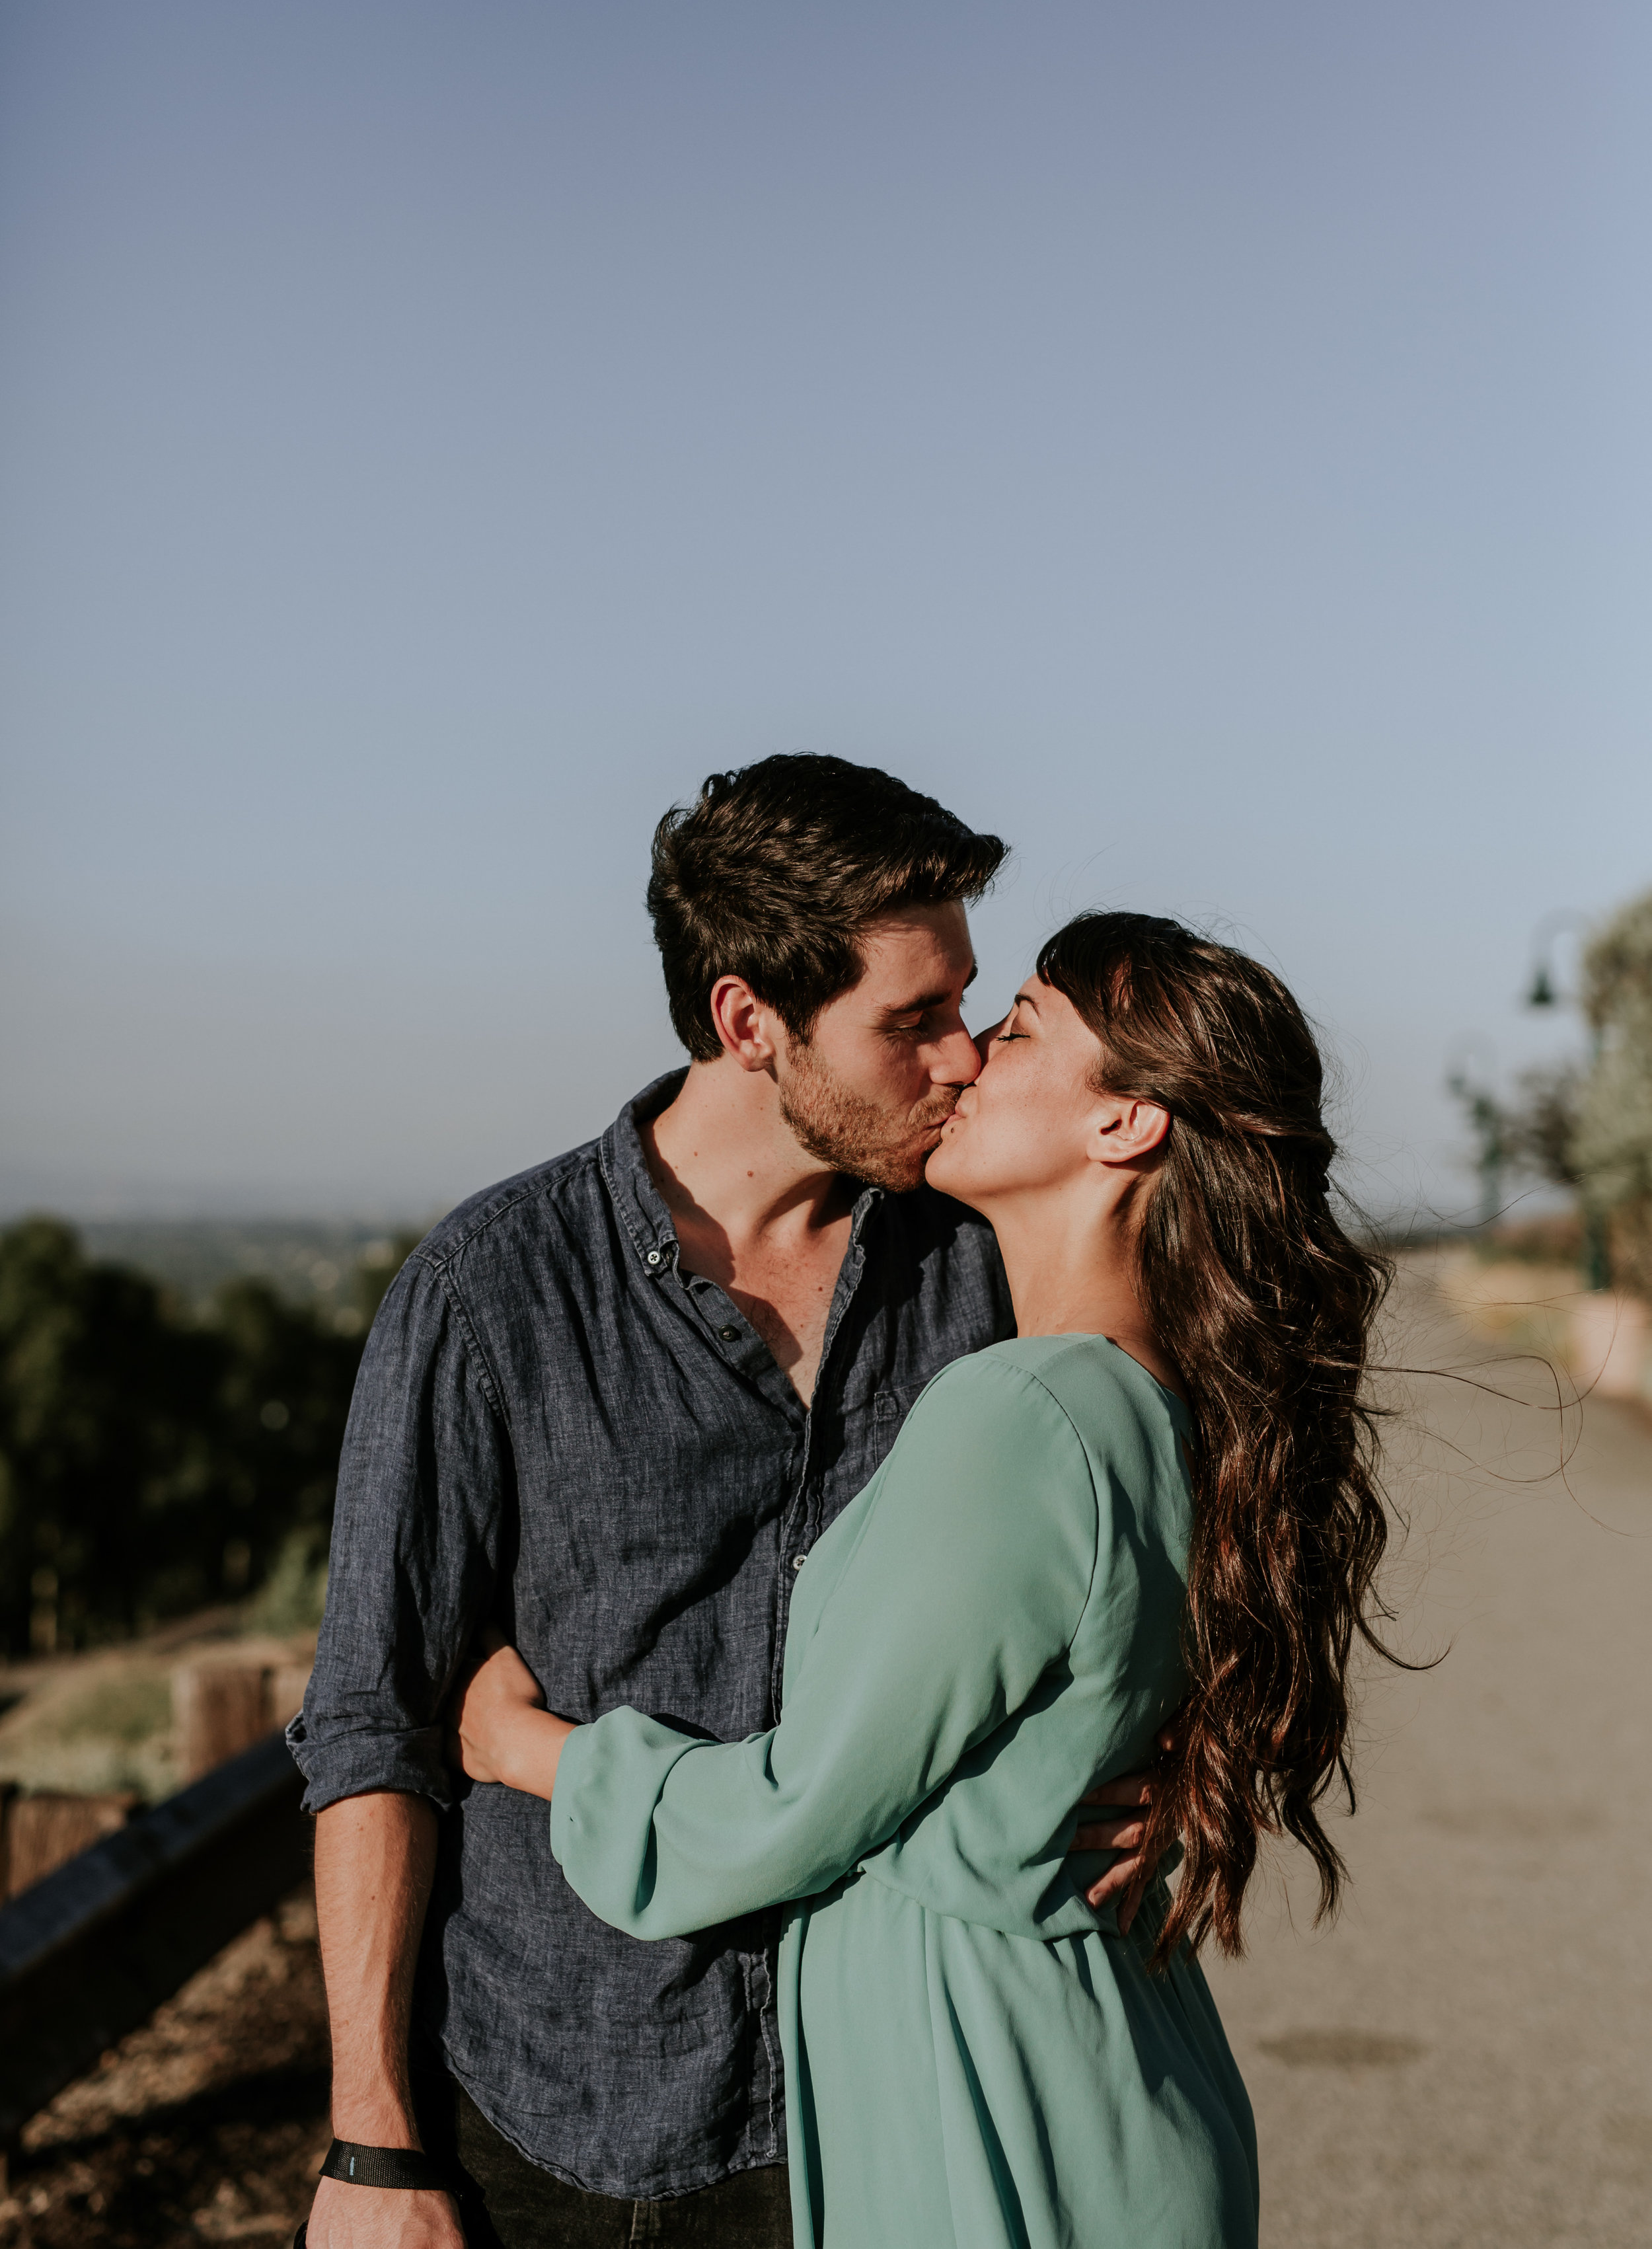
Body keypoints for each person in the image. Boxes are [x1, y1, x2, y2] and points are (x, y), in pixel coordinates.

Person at [291, 758, 1169, 2249]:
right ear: (747, 1021)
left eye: (964, 1006)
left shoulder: (982, 1267)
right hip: (562, 2111)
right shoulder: (491, 1290)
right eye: (910, 1022)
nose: (960, 1058)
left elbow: (1139, 1514)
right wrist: (373, 2147)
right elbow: (375, 1719)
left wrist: (1191, 1752)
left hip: (875, 2105)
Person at [450, 911, 1395, 2249]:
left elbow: (793, 1810)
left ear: (1124, 1126)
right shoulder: (1172, 1406)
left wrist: (522, 1747)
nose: (959, 1061)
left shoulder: (1017, 1415)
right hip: (1103, 2093)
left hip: (998, 2117)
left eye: (1014, 1033)